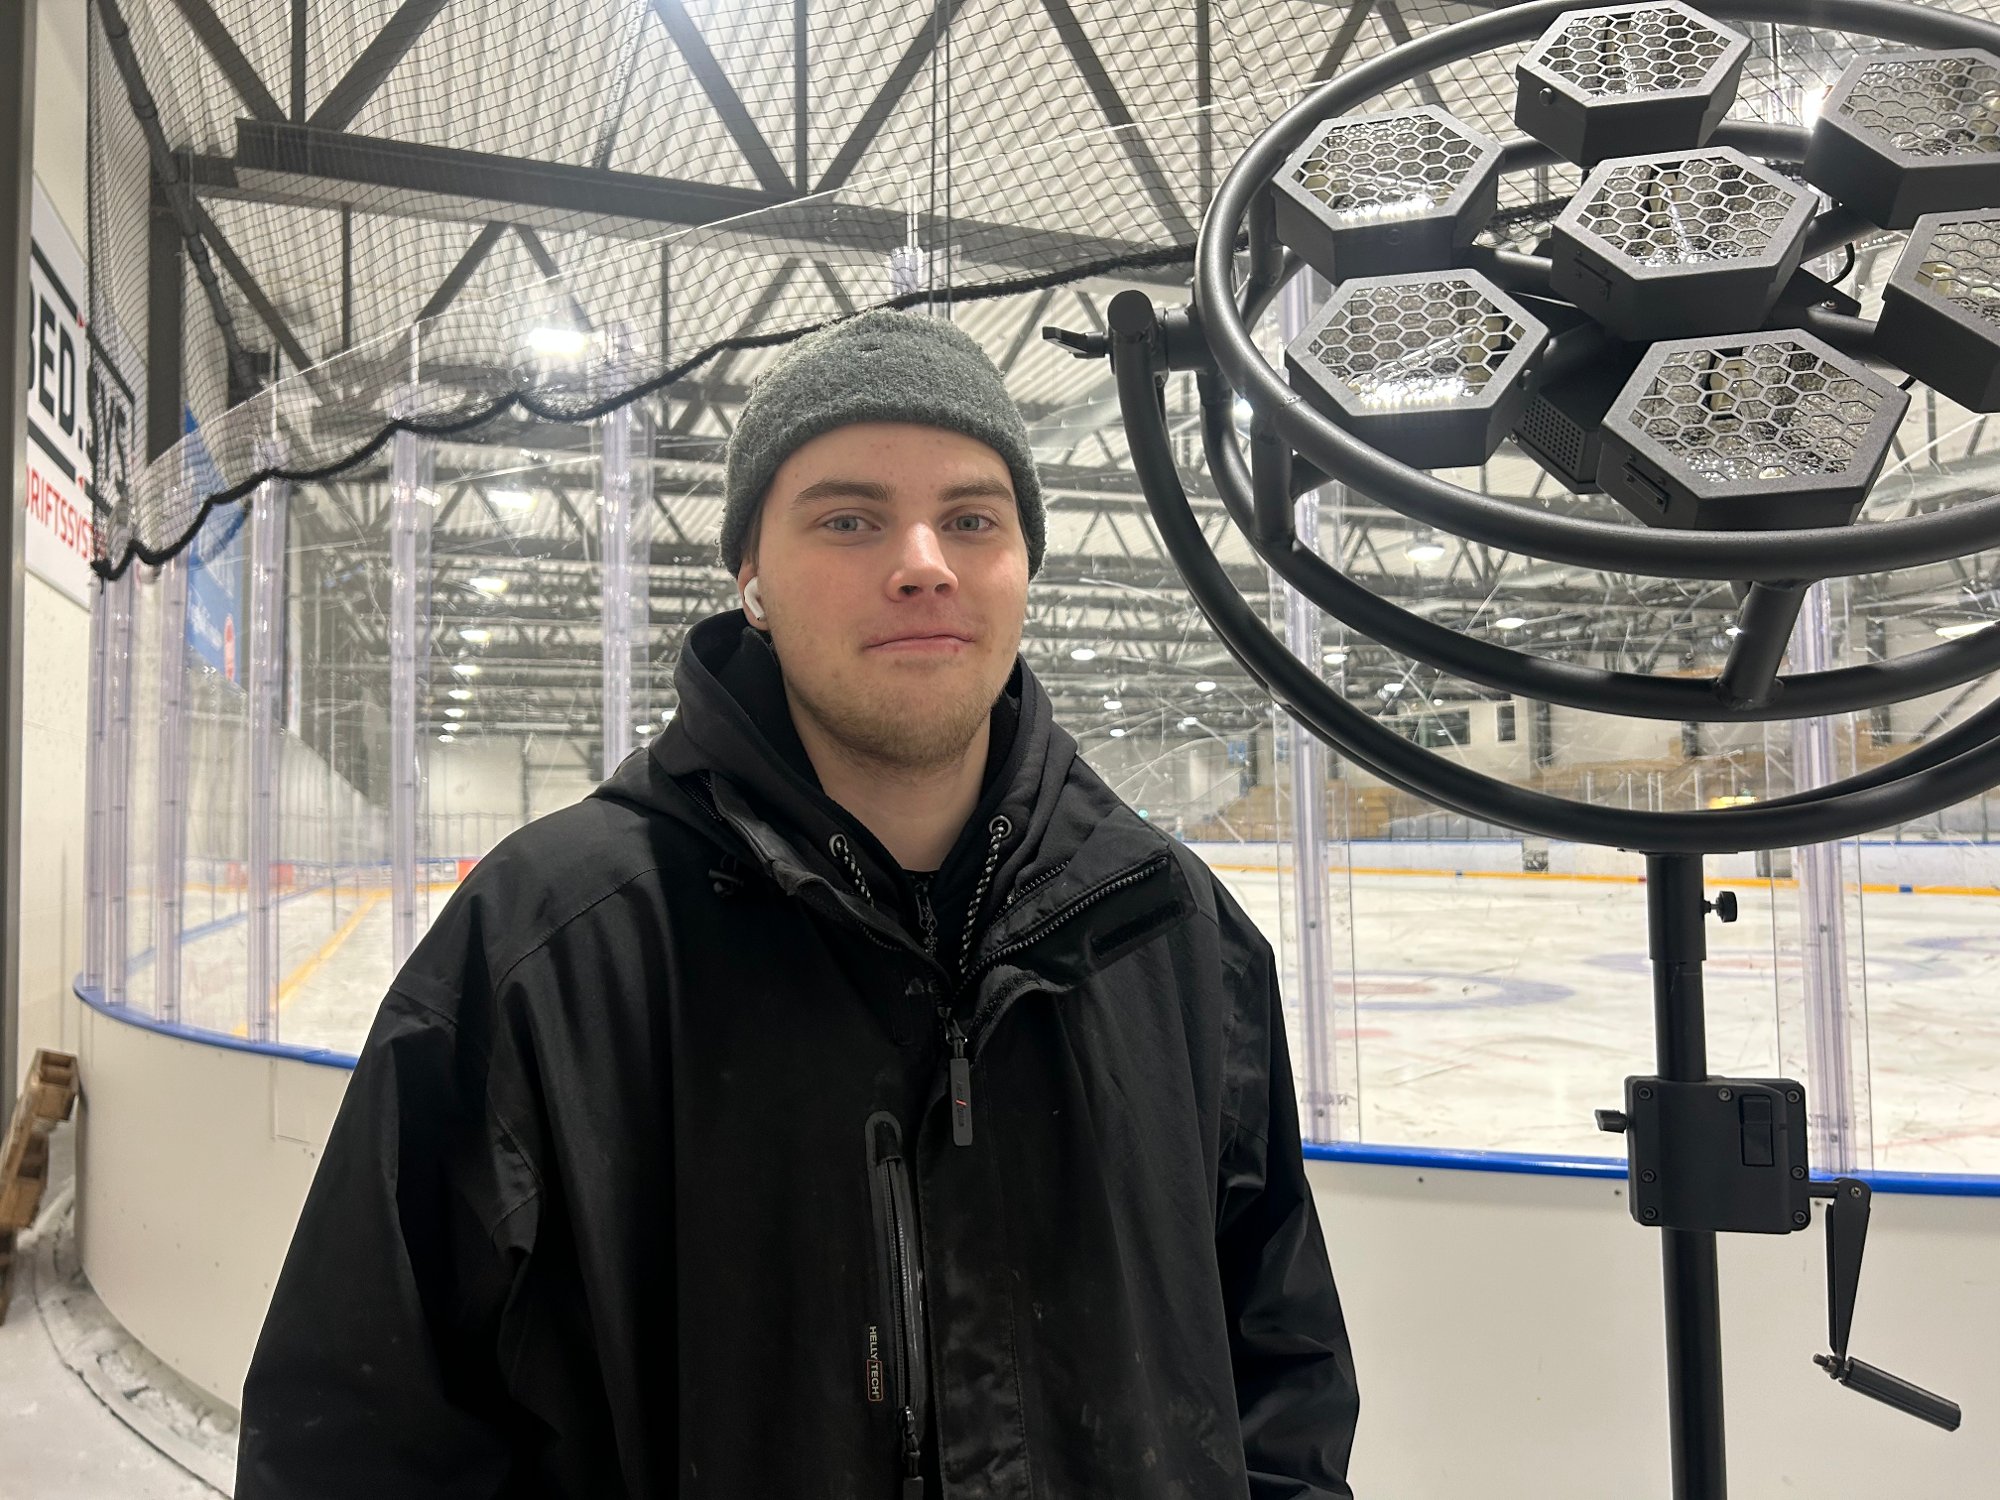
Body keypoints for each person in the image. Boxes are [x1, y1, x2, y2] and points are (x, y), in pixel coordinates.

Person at [235, 307, 1359, 1498]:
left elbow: (1277, 1384)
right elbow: (359, 1439)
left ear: (1021, 568)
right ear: (752, 581)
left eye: (971, 519)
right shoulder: (549, 949)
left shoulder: (1170, 930)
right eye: (848, 519)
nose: (923, 561)